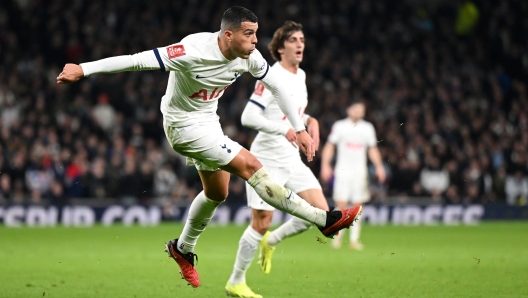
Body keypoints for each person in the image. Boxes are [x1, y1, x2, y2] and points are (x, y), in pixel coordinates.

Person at [57, 6, 362, 288]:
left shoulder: (249, 57)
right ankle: (325, 220)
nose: (256, 40)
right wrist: (83, 69)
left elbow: (277, 86)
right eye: (249, 33)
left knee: (217, 193)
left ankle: (182, 248)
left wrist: (300, 128)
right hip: (182, 126)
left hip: (208, 122)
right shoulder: (191, 51)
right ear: (227, 35)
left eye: (256, 33)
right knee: (252, 166)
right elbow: (137, 60)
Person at [225, 21, 340, 298]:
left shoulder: (300, 76)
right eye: (293, 40)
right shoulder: (272, 75)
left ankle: (272, 241)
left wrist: (310, 120)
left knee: (322, 214)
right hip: (268, 159)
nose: (300, 44)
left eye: (302, 38)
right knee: (262, 221)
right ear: (279, 48)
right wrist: (286, 129)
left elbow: (295, 112)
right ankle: (236, 281)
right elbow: (248, 117)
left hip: (291, 158)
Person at [320, 101, 386, 251]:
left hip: (360, 171)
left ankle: (354, 240)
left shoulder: (367, 128)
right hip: (343, 170)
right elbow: (330, 146)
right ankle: (336, 238)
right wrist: (325, 164)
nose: (358, 112)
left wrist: (379, 166)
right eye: (355, 109)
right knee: (341, 204)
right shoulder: (339, 126)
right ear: (348, 109)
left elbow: (372, 149)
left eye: (361, 110)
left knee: (357, 206)